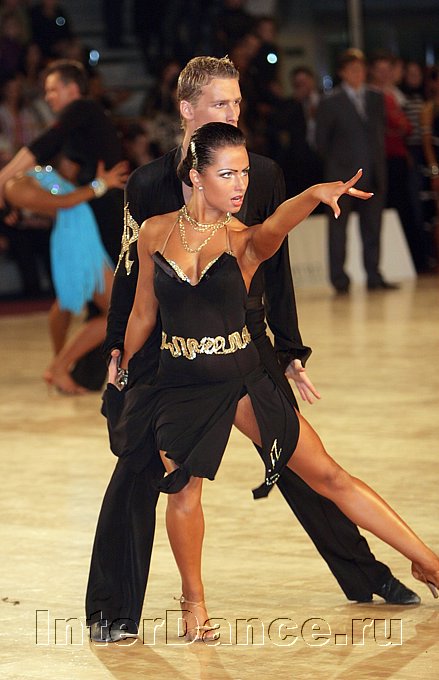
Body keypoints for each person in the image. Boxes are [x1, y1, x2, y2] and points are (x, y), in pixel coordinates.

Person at [86, 56, 420, 645]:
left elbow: (274, 260)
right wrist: (118, 349)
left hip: (244, 338)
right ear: (187, 110)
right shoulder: (146, 186)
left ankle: (367, 574)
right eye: (221, 103)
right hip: (168, 355)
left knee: (305, 469)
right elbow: (132, 278)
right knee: (140, 474)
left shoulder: (259, 174)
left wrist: (289, 348)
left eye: (237, 102)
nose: (233, 112)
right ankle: (115, 610)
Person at [0, 59, 125, 390]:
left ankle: (63, 366)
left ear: (72, 89)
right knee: (112, 309)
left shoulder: (81, 110)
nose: (48, 97)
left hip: (89, 220)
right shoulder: (25, 180)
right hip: (88, 222)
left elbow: (47, 148)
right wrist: (99, 185)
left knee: (73, 301)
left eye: (53, 90)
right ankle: (61, 367)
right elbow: (54, 164)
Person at [3, 157, 128, 393]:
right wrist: (102, 183)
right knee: (117, 313)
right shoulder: (14, 188)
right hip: (76, 244)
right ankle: (59, 366)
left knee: (67, 303)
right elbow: (66, 202)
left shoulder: (30, 175)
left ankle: (60, 362)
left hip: (84, 239)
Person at [316, 48, 397, 294]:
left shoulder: (375, 97)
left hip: (373, 172)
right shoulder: (330, 102)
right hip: (342, 177)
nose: (358, 74)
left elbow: (379, 134)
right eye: (352, 69)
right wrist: (338, 166)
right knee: (338, 230)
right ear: (342, 72)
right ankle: (339, 279)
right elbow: (320, 142)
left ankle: (374, 275)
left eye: (361, 69)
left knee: (373, 227)